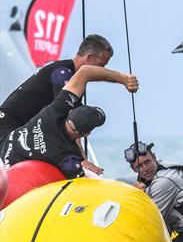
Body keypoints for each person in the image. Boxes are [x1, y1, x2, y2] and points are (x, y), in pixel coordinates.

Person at [0, 34, 113, 174]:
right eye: (101, 65)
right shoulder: (62, 74)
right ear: (89, 57)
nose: (101, 71)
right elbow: (72, 123)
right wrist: (81, 160)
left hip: (22, 128)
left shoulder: (72, 79)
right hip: (6, 127)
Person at [1, 65, 138, 178]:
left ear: (71, 112)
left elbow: (85, 71)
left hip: (3, 145)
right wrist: (82, 163)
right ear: (87, 134)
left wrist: (124, 78)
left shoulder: (57, 109)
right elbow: (80, 177)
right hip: (9, 173)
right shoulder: (65, 155)